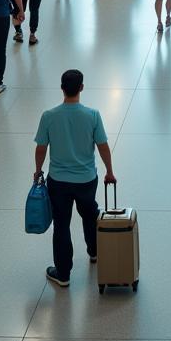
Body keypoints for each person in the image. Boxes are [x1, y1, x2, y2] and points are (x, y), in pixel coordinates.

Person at [35, 68, 116, 288]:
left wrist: (38, 170)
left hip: (58, 181)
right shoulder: (92, 115)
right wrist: (109, 171)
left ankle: (63, 274)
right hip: (86, 180)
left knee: (61, 224)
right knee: (90, 214)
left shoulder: (49, 116)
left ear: (62, 88)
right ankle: (95, 252)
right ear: (81, 88)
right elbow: (103, 146)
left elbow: (41, 148)